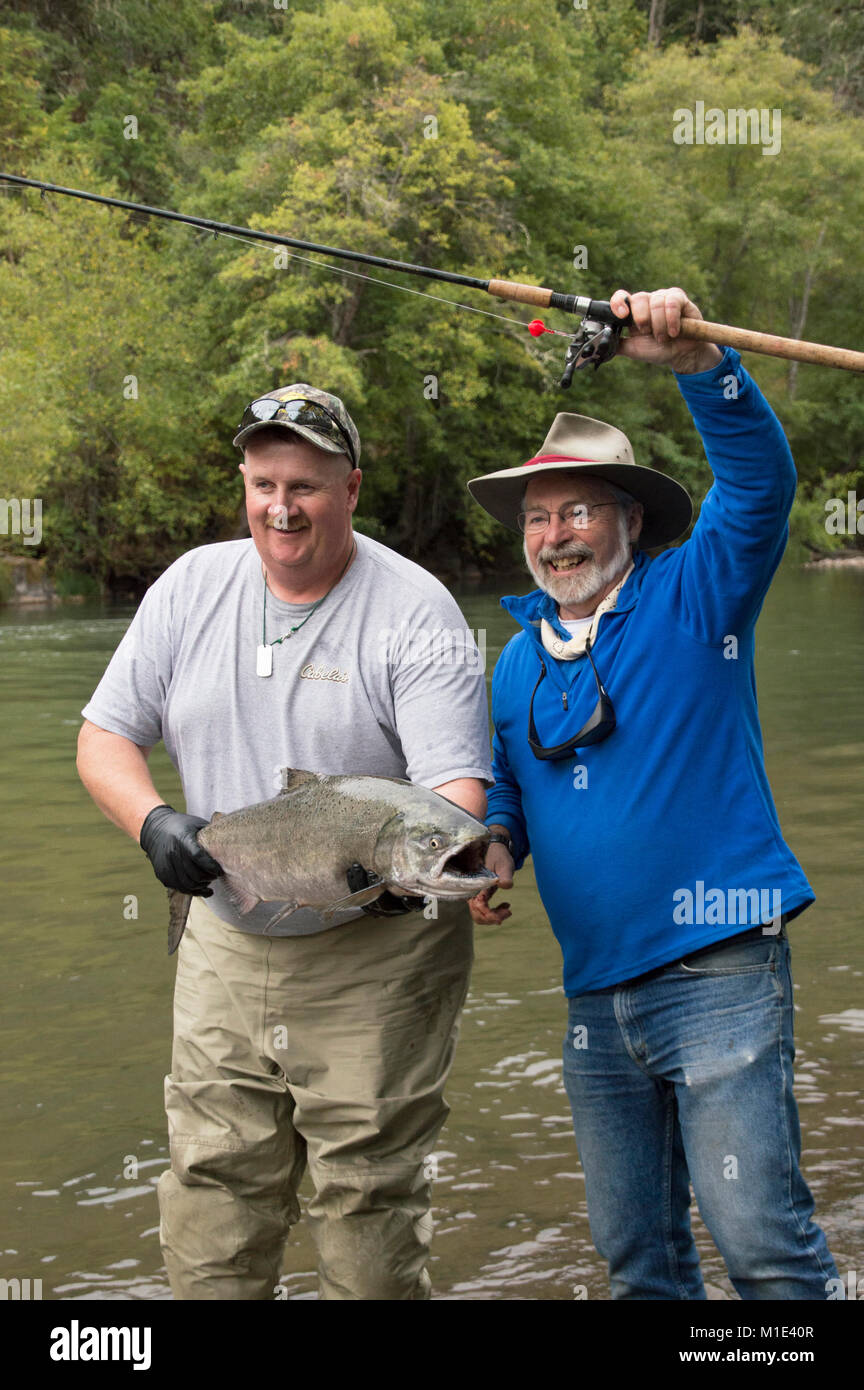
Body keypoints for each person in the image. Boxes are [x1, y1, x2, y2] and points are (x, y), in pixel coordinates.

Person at [77, 383, 492, 1300]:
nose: (280, 507)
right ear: (244, 482)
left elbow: (456, 791)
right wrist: (154, 823)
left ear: (350, 486)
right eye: (264, 482)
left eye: (303, 485)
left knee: (368, 1202)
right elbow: (104, 737)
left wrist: (420, 872)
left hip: (380, 955)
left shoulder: (418, 610)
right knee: (214, 1190)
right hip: (226, 939)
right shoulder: (190, 586)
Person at [466, 287, 842, 1301]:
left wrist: (695, 360)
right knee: (638, 1259)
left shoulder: (698, 590)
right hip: (594, 997)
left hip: (720, 968)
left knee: (762, 1243)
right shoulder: (512, 664)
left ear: (631, 517)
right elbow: (506, 792)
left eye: (578, 509)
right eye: (538, 517)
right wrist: (493, 850)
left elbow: (762, 483)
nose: (555, 535)